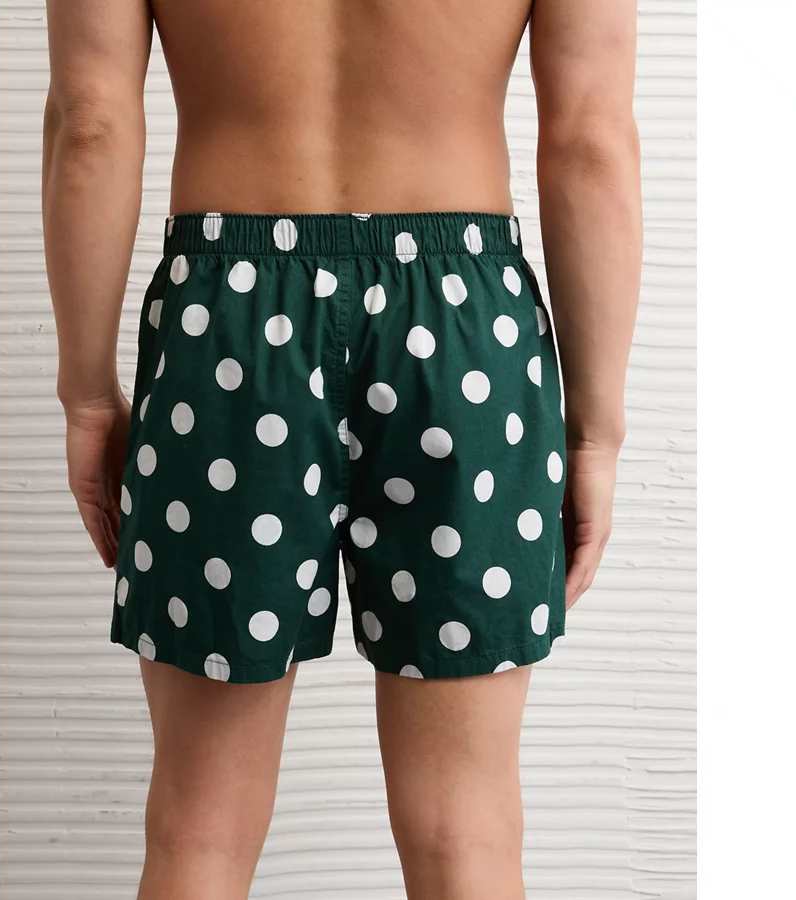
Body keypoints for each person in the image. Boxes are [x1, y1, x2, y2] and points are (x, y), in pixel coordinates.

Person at [42, 0, 640, 897]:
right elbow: (591, 142)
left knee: (200, 829)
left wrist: (88, 391)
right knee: (467, 830)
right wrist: (596, 424)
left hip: (229, 325)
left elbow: (90, 124)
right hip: (464, 331)